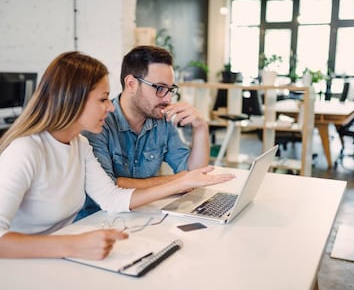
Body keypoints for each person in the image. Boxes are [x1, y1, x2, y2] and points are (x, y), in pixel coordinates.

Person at [0, 51, 234, 260]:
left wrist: (184, 181)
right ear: (74, 100)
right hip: (22, 265)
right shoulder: (25, 150)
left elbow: (112, 198)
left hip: (58, 257)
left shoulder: (79, 145)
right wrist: (72, 245)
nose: (110, 107)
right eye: (102, 99)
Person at [78, 45, 210, 219]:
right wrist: (179, 181)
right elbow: (111, 187)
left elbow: (195, 174)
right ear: (131, 84)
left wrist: (201, 128)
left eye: (170, 89)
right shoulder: (98, 123)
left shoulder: (161, 120)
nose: (168, 98)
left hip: (144, 215)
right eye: (160, 88)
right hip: (98, 220)